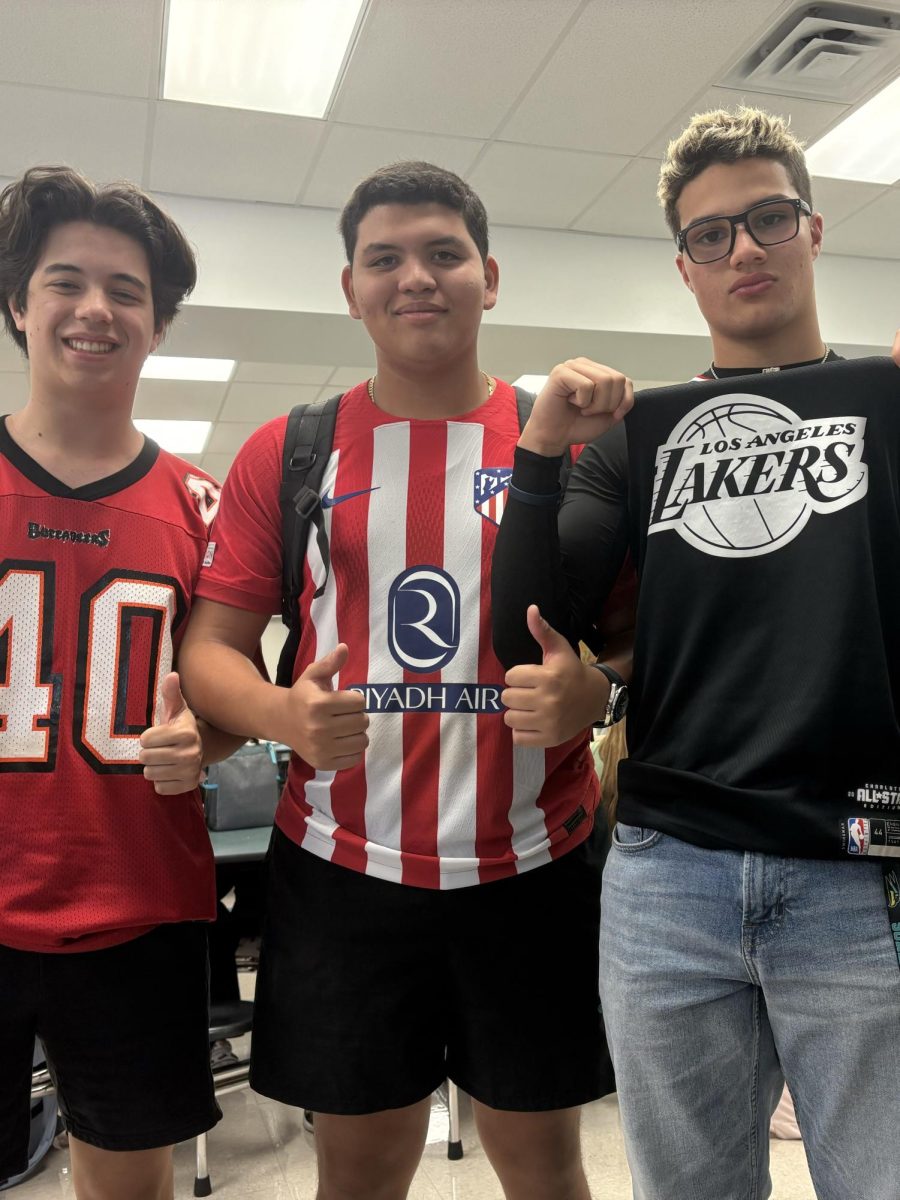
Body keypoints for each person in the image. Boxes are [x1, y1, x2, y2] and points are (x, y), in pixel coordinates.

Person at [178, 161, 616, 1200]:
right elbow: (210, 651)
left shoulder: (574, 447)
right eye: (385, 259)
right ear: (350, 288)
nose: (415, 278)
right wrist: (282, 711)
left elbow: (636, 648)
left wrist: (595, 695)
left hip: (533, 869)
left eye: (442, 254)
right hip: (344, 872)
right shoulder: (291, 453)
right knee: (360, 1173)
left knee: (546, 1169)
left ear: (490, 275)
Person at [491, 108, 900, 1200]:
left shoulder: (892, 400)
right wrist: (538, 450)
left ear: (813, 230)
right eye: (713, 235)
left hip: (864, 870)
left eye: (769, 218)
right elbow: (521, 626)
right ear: (684, 267)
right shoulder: (641, 433)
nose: (745, 249)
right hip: (672, 874)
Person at [0, 165, 238, 1200]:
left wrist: (211, 746)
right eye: (66, 281)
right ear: (18, 303)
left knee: (129, 1180)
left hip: (139, 901)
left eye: (126, 290)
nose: (95, 309)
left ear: (158, 323)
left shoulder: (202, 504)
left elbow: (226, 702)